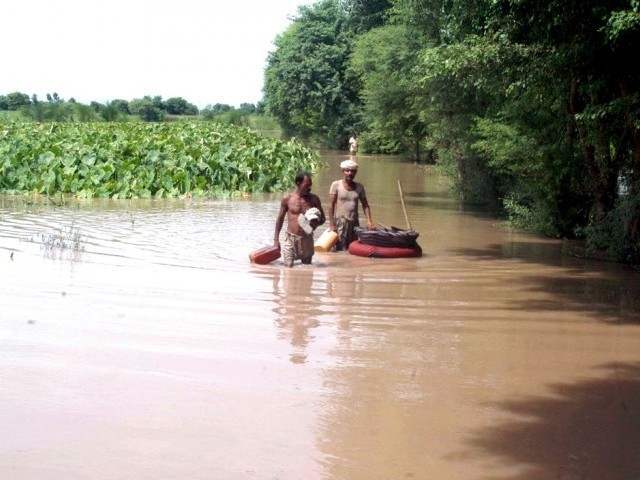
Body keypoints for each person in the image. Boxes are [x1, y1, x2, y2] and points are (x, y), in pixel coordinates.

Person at [274, 171, 326, 267]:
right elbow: (279, 220)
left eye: (310, 185)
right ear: (298, 183)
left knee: (307, 270)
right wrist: (276, 240)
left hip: (307, 239)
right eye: (306, 185)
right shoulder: (287, 199)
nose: (309, 188)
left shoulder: (314, 199)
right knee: (288, 268)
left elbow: (323, 219)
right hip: (290, 238)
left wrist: (315, 224)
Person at [328, 159, 373, 251]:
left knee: (353, 248)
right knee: (340, 248)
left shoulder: (359, 187)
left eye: (352, 171)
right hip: (340, 222)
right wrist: (332, 225)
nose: (350, 173)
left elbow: (365, 205)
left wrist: (369, 221)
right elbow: (331, 206)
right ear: (343, 171)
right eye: (347, 170)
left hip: (354, 223)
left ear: (355, 172)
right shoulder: (336, 185)